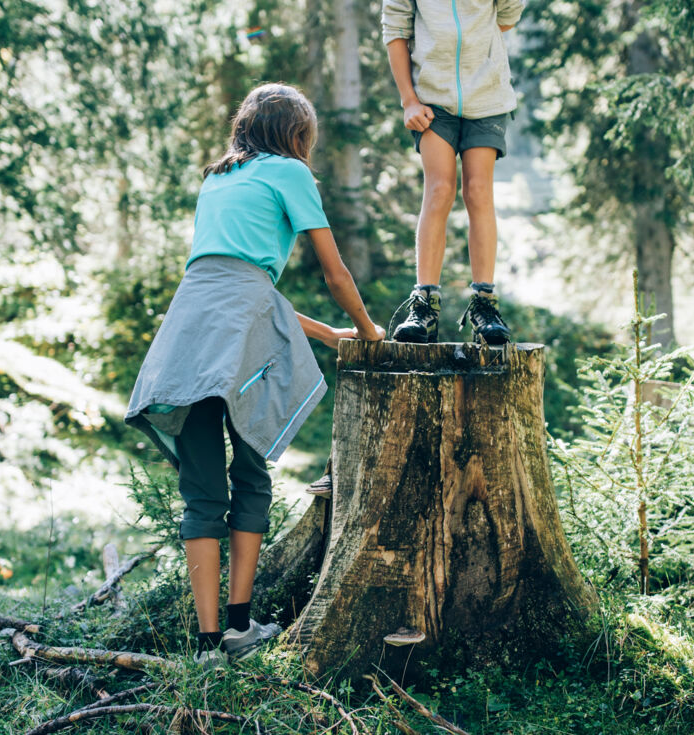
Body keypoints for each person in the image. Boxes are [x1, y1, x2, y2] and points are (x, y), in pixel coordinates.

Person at [124, 83, 385, 669]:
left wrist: (324, 335)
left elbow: (233, 281)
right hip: (244, 335)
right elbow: (334, 272)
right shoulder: (291, 174)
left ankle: (209, 644)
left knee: (201, 494)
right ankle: (240, 626)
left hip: (188, 330)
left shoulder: (217, 179)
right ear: (297, 136)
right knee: (250, 472)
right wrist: (366, 330)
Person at [382, 0, 525, 344]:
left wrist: (481, 55)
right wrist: (409, 101)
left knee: (477, 191)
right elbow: (396, 30)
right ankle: (424, 305)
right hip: (431, 100)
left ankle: (484, 304)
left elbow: (508, 14)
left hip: (487, 98)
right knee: (439, 189)